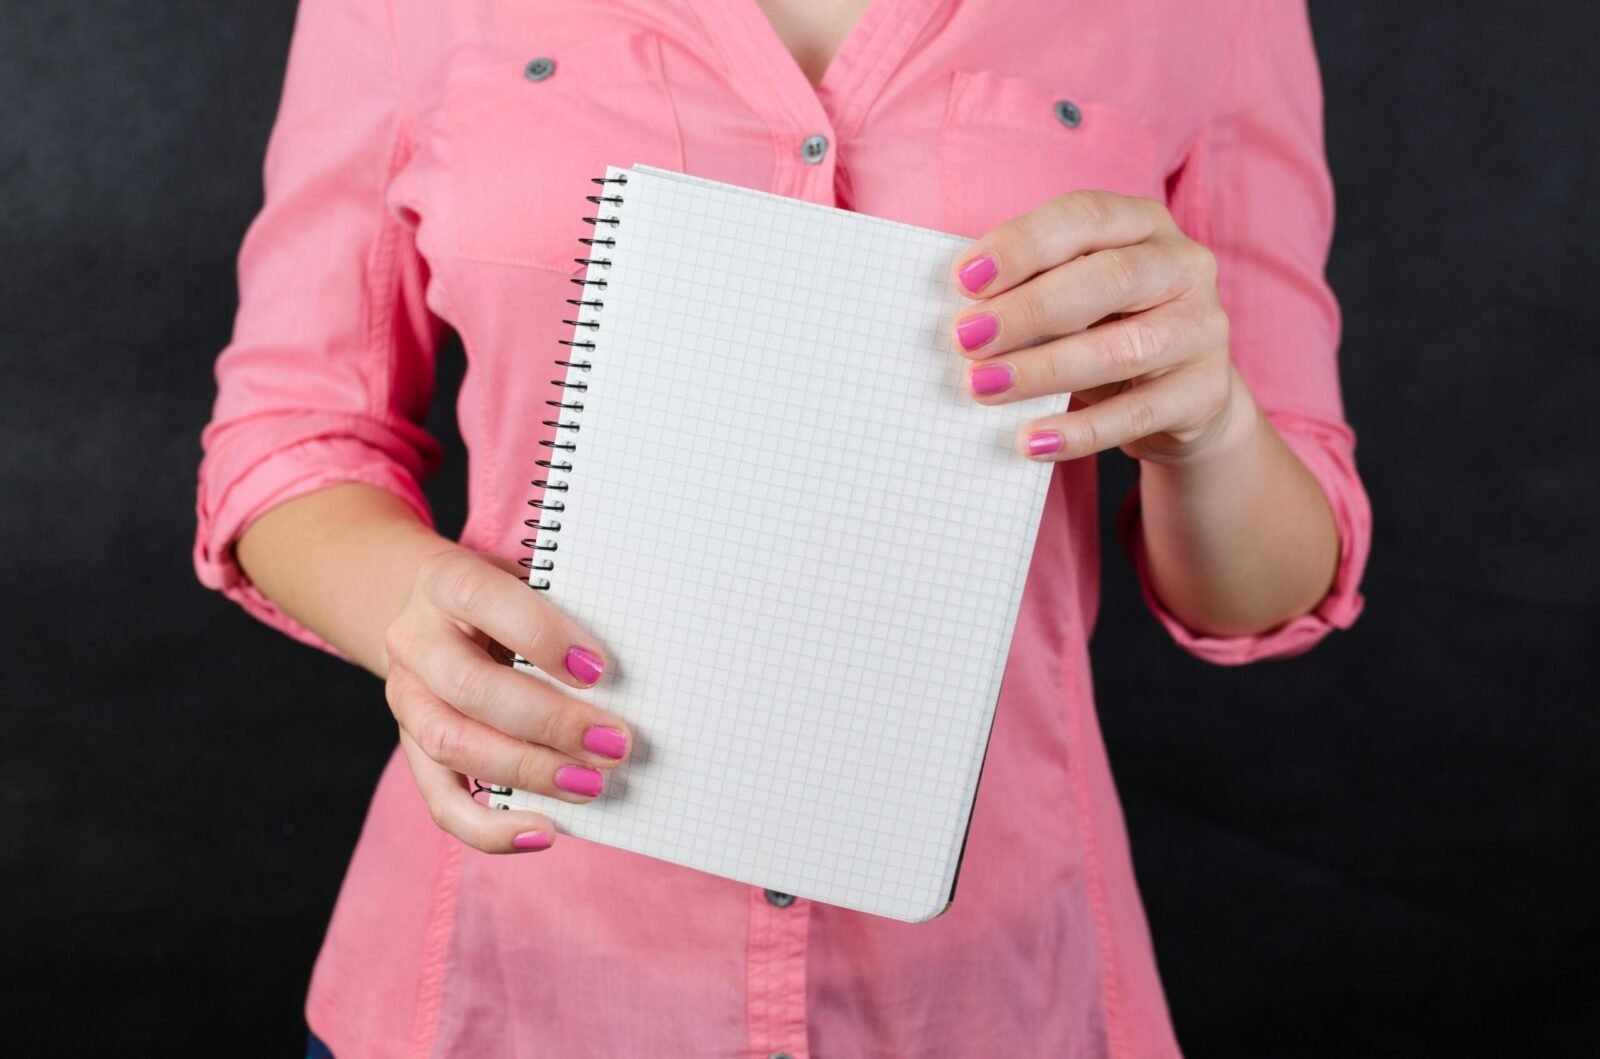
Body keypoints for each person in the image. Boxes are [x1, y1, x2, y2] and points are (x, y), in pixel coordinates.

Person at [194, 0, 1371, 1055]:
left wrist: (1208, 428)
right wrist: (415, 618)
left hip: (989, 996)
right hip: (508, 979)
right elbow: (292, 431)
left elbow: (1267, 586)